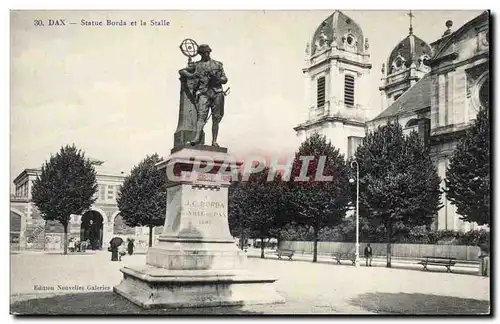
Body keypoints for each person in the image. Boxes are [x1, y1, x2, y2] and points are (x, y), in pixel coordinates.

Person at [178, 44, 228, 147]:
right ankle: (197, 138)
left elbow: (225, 79)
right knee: (201, 116)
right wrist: (192, 75)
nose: (205, 54)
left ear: (209, 52)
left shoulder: (218, 64)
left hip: (217, 92)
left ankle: (214, 141)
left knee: (216, 118)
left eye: (207, 52)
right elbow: (182, 71)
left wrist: (218, 79)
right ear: (200, 54)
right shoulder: (197, 65)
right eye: (203, 53)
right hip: (204, 93)